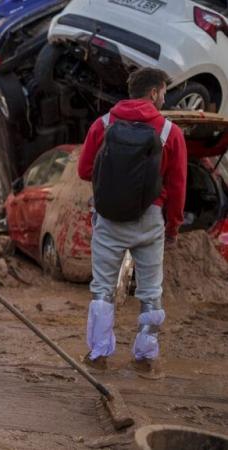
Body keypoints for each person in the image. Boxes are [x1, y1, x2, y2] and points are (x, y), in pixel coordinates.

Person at [78, 68, 187, 377]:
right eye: (164, 92)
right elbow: (178, 186)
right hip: (150, 219)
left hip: (109, 216)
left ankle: (99, 354)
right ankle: (146, 357)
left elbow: (85, 170)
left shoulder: (103, 124)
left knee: (102, 288)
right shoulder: (170, 132)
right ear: (153, 93)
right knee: (151, 291)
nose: (165, 98)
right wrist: (173, 226)